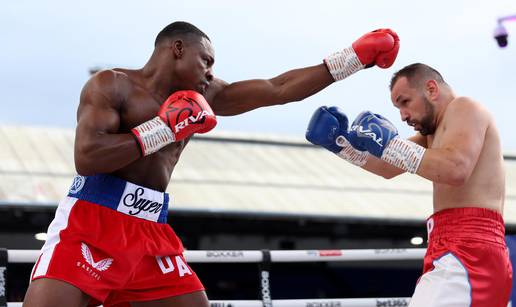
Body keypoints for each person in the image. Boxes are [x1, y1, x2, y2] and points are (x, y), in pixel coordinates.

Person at [22, 22, 399, 307]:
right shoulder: (112, 85)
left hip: (150, 231)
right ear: (177, 49)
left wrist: (353, 58)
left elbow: (277, 89)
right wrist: (162, 129)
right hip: (93, 220)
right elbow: (86, 158)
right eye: (206, 61)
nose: (210, 73)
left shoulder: (207, 94)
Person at [306, 63, 513, 307]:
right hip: (457, 248)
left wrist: (390, 144)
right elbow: (387, 167)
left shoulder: (465, 108)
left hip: (469, 250)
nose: (402, 115)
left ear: (432, 89)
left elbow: (456, 169)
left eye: (405, 102)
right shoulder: (433, 133)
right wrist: (341, 145)